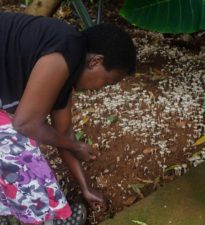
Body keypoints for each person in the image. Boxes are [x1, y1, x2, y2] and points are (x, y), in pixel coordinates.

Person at [0, 12, 136, 225]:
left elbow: (63, 133)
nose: (101, 89)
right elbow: (25, 123)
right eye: (108, 82)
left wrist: (85, 188)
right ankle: (48, 220)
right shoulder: (64, 52)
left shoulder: (67, 64)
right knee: (17, 147)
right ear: (96, 61)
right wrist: (74, 145)